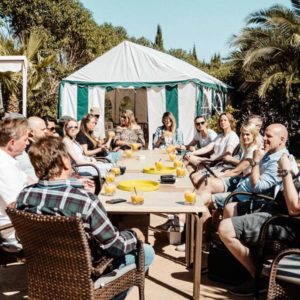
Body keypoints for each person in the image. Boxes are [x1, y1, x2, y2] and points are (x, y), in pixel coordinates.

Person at [16, 136, 155, 300]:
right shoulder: (84, 200)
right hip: (85, 273)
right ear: (64, 161)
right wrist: (133, 234)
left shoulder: (24, 196)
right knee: (147, 251)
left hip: (45, 272)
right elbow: (115, 246)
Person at [218, 154, 300, 296]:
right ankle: (238, 268)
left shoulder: (279, 158)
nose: (265, 140)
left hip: (287, 223)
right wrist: (293, 173)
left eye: (269, 136)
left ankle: (258, 277)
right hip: (275, 209)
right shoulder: (277, 157)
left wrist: (286, 171)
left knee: (225, 229)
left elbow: (294, 209)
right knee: (231, 207)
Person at [198, 122, 261, 208]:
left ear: (254, 135)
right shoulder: (247, 147)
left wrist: (221, 174)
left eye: (247, 134)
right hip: (240, 179)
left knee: (207, 192)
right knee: (205, 183)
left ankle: (193, 211)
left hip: (245, 186)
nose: (245, 137)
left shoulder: (254, 150)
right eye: (243, 134)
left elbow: (237, 171)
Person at [0, 119, 34, 249]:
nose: (27, 142)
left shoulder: (8, 161)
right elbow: (17, 205)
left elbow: (31, 180)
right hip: (14, 230)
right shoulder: (4, 166)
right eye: (25, 139)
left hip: (20, 223)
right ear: (12, 143)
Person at [185, 112, 240, 187]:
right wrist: (192, 153)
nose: (222, 122)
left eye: (225, 120)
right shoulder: (220, 136)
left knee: (191, 168)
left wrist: (210, 160)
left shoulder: (232, 136)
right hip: (211, 160)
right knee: (187, 158)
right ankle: (190, 185)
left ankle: (196, 188)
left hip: (219, 164)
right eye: (221, 120)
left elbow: (227, 155)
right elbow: (207, 148)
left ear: (230, 122)